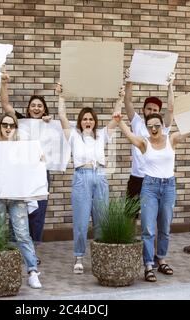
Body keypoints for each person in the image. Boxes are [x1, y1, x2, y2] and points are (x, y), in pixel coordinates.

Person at [113, 102, 190, 282]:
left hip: (168, 186)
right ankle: (148, 265)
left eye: (156, 125)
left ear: (162, 126)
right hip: (150, 187)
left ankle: (161, 259)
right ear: (146, 128)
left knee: (165, 227)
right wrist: (119, 121)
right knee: (148, 228)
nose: (153, 128)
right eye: (150, 126)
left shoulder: (171, 139)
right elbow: (129, 135)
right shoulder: (144, 143)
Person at [56, 83, 123, 274]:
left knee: (102, 219)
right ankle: (79, 257)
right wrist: (61, 96)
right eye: (84, 119)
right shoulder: (74, 136)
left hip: (100, 176)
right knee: (81, 220)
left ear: (94, 121)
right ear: (80, 122)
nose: (88, 121)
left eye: (90, 119)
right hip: (81, 177)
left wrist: (120, 98)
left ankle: (101, 255)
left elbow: (116, 118)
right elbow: (62, 117)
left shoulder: (102, 135)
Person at [0, 112, 43, 289]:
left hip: (17, 197)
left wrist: (39, 161)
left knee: (22, 234)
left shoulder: (22, 147)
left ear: (15, 128)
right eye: (5, 125)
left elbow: (30, 171)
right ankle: (0, 270)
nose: (8, 128)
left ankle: (32, 271)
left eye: (11, 125)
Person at [0, 70, 51, 263]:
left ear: (44, 110)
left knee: (38, 213)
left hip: (41, 173)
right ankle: (16, 248)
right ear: (28, 109)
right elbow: (5, 105)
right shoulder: (20, 122)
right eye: (33, 105)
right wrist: (4, 84)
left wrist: (50, 122)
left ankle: (31, 252)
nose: (36, 108)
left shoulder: (49, 124)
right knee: (19, 209)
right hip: (21, 173)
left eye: (40, 106)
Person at [124, 70, 175, 211]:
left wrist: (170, 85)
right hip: (137, 177)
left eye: (155, 109)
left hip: (155, 179)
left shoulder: (163, 127)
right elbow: (127, 101)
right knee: (130, 214)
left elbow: (171, 109)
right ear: (143, 110)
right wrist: (129, 80)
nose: (152, 111)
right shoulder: (137, 122)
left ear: (159, 112)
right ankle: (131, 235)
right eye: (149, 109)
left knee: (156, 214)